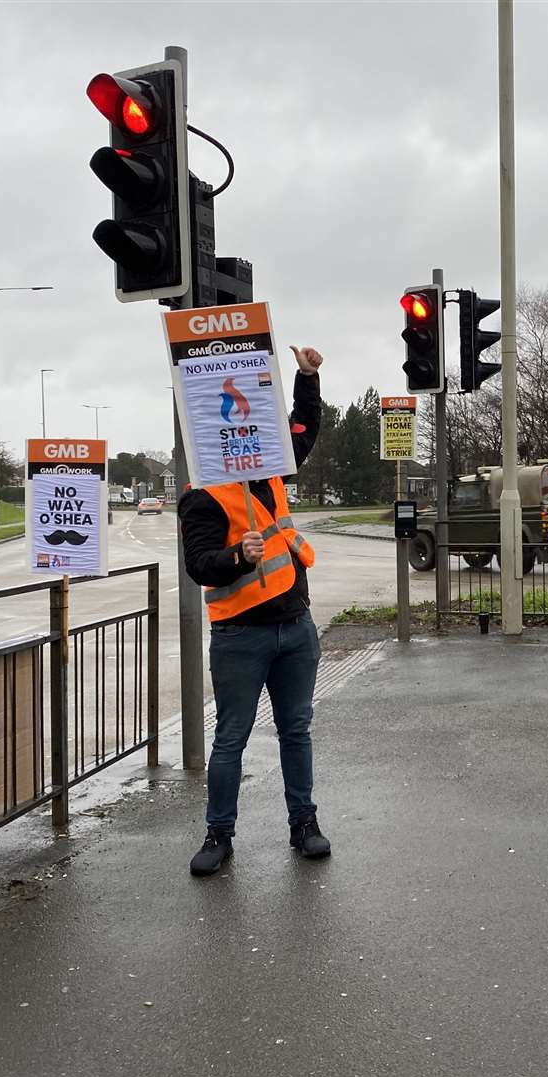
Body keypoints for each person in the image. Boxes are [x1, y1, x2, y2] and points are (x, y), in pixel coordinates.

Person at [179, 346, 332, 877]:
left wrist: (307, 378)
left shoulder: (269, 471)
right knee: (231, 738)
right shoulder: (200, 496)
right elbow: (199, 564)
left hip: (295, 627)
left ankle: (304, 824)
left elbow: (303, 430)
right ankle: (218, 834)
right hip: (240, 636)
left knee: (296, 730)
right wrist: (233, 557)